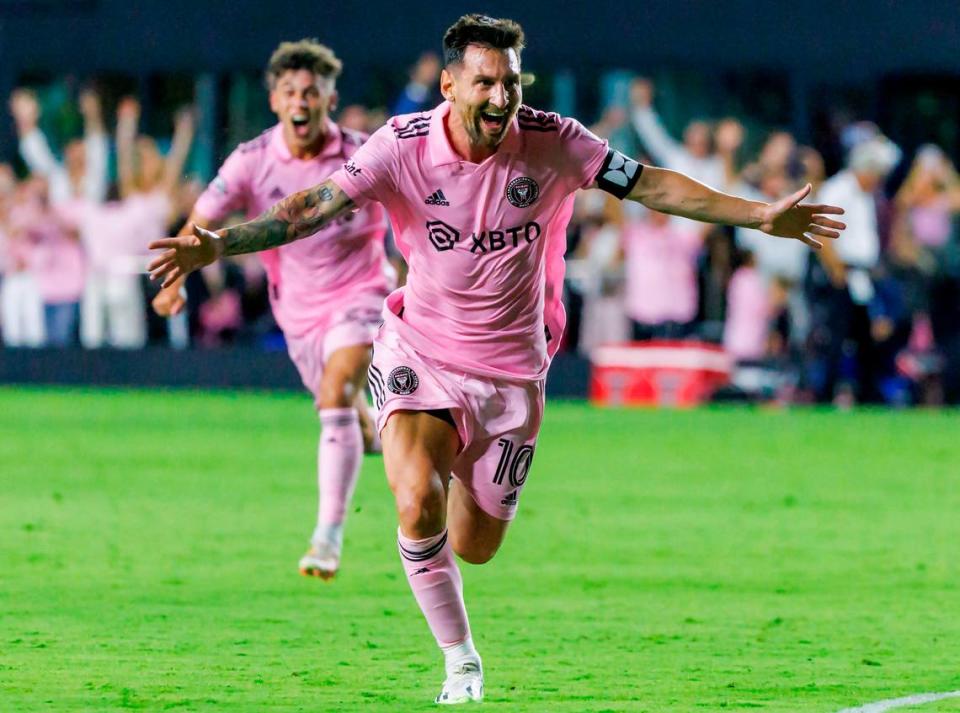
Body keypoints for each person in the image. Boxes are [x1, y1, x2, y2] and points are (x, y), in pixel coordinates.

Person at [148, 15, 845, 704]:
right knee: (416, 500)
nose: (500, 96)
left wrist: (757, 215)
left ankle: (447, 474)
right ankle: (460, 661)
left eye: (510, 81)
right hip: (419, 350)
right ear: (449, 84)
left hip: (512, 376)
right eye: (484, 81)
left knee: (474, 544)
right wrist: (215, 243)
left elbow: (653, 184)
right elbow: (310, 207)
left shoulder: (558, 143)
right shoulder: (401, 145)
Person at [151, 39, 393, 579]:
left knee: (336, 394)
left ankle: (327, 538)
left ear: (330, 99)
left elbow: (414, 203)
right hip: (298, 313)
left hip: (363, 293)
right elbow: (203, 219)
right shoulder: (252, 161)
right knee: (344, 408)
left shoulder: (365, 153)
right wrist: (176, 279)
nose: (301, 101)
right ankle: (374, 430)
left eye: (312, 91)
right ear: (275, 100)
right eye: (290, 91)